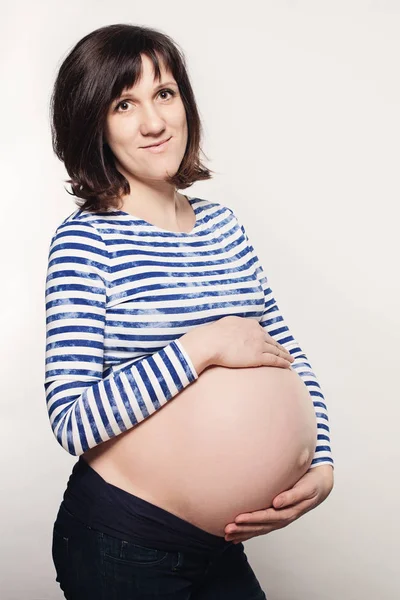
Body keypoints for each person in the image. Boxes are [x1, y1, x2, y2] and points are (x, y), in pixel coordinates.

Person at [45, 23, 334, 599]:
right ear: (93, 124)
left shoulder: (224, 227)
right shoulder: (87, 242)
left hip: (217, 544)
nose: (153, 122)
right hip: (122, 541)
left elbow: (284, 349)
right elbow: (71, 420)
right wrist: (201, 348)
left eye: (164, 93)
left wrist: (319, 458)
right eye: (123, 103)